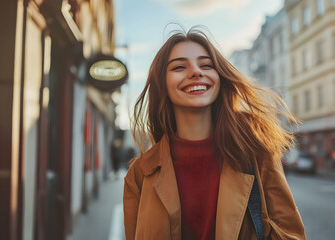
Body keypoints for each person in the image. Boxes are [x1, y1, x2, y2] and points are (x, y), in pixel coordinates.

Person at [123, 26, 306, 240]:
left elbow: (291, 234)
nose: (196, 72)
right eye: (179, 67)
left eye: (206, 65)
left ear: (219, 77)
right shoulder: (140, 174)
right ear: (162, 84)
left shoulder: (257, 153)